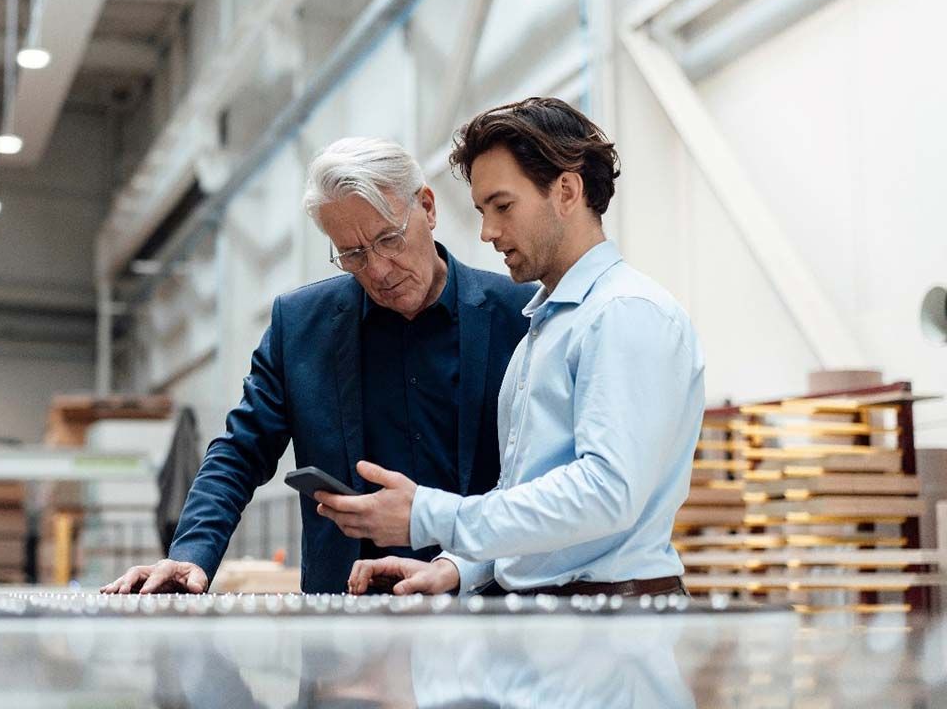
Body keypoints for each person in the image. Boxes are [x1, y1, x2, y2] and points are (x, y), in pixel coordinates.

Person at [101, 137, 535, 595]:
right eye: (352, 254)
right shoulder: (302, 326)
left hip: (485, 610)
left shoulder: (520, 315)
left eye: (389, 239)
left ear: (427, 207)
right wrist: (189, 555)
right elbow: (240, 451)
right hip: (345, 623)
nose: (379, 270)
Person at [319, 98, 705, 598]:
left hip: (612, 617)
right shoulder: (544, 332)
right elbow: (526, 502)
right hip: (561, 618)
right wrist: (459, 567)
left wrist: (431, 514)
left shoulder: (624, 313)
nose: (488, 232)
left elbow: (607, 493)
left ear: (566, 191)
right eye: (483, 211)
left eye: (502, 207)